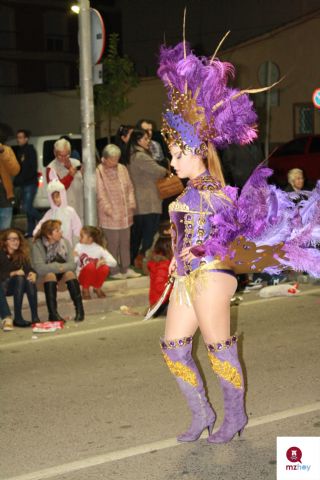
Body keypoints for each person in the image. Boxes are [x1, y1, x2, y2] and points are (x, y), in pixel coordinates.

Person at [156, 40, 320, 445]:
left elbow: (235, 233)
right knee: (174, 348)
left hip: (213, 274)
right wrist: (178, 258)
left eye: (177, 154)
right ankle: (202, 412)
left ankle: (235, 417)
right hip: (188, 276)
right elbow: (182, 234)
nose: (172, 161)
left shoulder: (219, 193)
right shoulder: (183, 194)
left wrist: (207, 248)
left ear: (197, 153)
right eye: (172, 154)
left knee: (217, 348)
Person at [96, 144, 140, 279]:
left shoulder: (122, 168)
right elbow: (100, 194)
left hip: (125, 214)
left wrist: (131, 203)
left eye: (117, 159)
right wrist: (109, 210)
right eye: (113, 159)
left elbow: (130, 188)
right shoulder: (99, 171)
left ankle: (126, 268)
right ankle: (113, 270)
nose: (115, 162)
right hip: (110, 216)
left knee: (125, 242)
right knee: (113, 244)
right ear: (105, 158)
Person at [127, 129, 166, 267]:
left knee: (139, 234)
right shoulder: (141, 157)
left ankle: (135, 260)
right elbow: (159, 171)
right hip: (147, 202)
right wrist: (164, 170)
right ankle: (141, 260)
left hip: (143, 202)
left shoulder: (135, 155)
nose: (148, 141)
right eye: (145, 139)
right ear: (138, 141)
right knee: (149, 233)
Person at [32, 220, 84, 322]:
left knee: (70, 273)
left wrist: (59, 267)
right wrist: (57, 266)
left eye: (60, 230)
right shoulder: (37, 245)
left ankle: (80, 311)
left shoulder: (65, 242)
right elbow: (40, 269)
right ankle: (53, 314)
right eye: (57, 230)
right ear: (49, 234)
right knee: (50, 275)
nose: (61, 232)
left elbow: (72, 265)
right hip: (44, 281)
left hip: (61, 279)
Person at [0, 229, 39, 331]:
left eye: (17, 239)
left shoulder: (20, 253)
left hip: (17, 286)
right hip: (3, 286)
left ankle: (34, 317)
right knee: (19, 277)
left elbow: (28, 268)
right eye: (12, 239)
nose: (16, 242)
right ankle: (17, 317)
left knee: (27, 278)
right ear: (5, 242)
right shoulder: (1, 254)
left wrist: (33, 273)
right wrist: (13, 273)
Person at [33, 179, 82, 246]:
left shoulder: (70, 211)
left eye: (57, 196)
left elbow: (78, 228)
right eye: (53, 198)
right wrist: (36, 233)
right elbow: (42, 225)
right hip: (53, 245)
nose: (55, 199)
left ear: (62, 195)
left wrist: (78, 244)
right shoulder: (50, 213)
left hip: (68, 246)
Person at [74, 226, 117, 299]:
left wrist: (104, 261)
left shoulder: (99, 248)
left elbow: (114, 262)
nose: (79, 237)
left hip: (94, 278)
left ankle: (97, 287)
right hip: (82, 277)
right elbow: (74, 262)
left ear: (90, 239)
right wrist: (75, 257)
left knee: (105, 267)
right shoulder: (78, 246)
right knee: (91, 266)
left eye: (82, 236)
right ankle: (85, 289)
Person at [46, 138, 83, 221]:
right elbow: (56, 191)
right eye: (60, 155)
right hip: (64, 211)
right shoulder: (51, 168)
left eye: (66, 155)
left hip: (80, 207)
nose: (64, 158)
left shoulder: (76, 163)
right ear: (54, 153)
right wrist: (69, 176)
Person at [13, 129, 41, 237]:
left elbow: (32, 168)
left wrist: (22, 179)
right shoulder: (19, 151)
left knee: (27, 207)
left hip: (30, 183)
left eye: (20, 137)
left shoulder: (30, 150)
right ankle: (30, 232)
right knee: (28, 210)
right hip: (23, 184)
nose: (18, 140)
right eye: (17, 137)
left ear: (26, 139)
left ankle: (44, 221)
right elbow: (18, 169)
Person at [147, 234, 172, 317]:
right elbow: (160, 287)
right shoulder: (163, 266)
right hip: (160, 305)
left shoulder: (163, 264)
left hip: (159, 303)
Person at [0, 134, 20, 230]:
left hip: (5, 200)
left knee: (5, 235)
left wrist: (2, 153)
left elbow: (15, 170)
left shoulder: (6, 150)